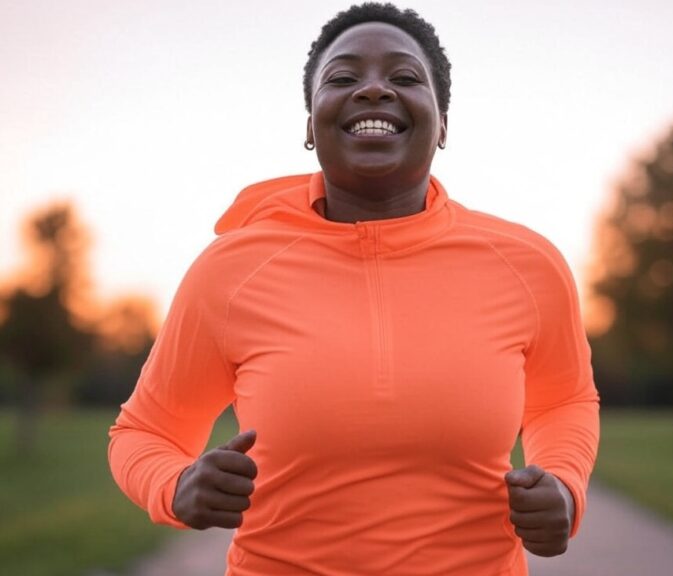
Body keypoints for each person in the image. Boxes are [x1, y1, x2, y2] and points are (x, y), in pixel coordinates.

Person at [108, 3, 600, 575]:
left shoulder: (527, 263)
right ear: (310, 125)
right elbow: (144, 430)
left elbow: (564, 399)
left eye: (404, 77)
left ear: (442, 124)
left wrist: (564, 486)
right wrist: (173, 487)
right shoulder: (230, 271)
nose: (373, 91)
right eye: (342, 78)